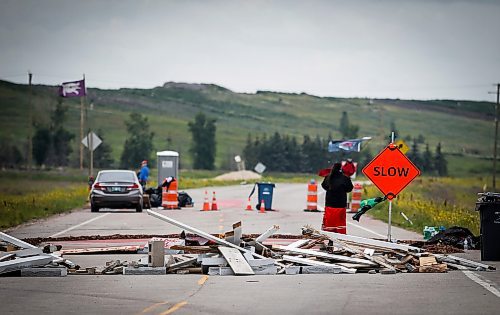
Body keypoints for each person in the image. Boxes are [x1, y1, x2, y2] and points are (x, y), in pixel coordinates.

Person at [321, 162, 353, 234]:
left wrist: (330, 190)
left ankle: (330, 238)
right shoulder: (345, 178)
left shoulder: (328, 177)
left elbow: (324, 185)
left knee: (330, 222)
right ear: (341, 169)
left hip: (330, 204)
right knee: (340, 222)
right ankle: (340, 236)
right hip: (341, 204)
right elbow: (349, 188)